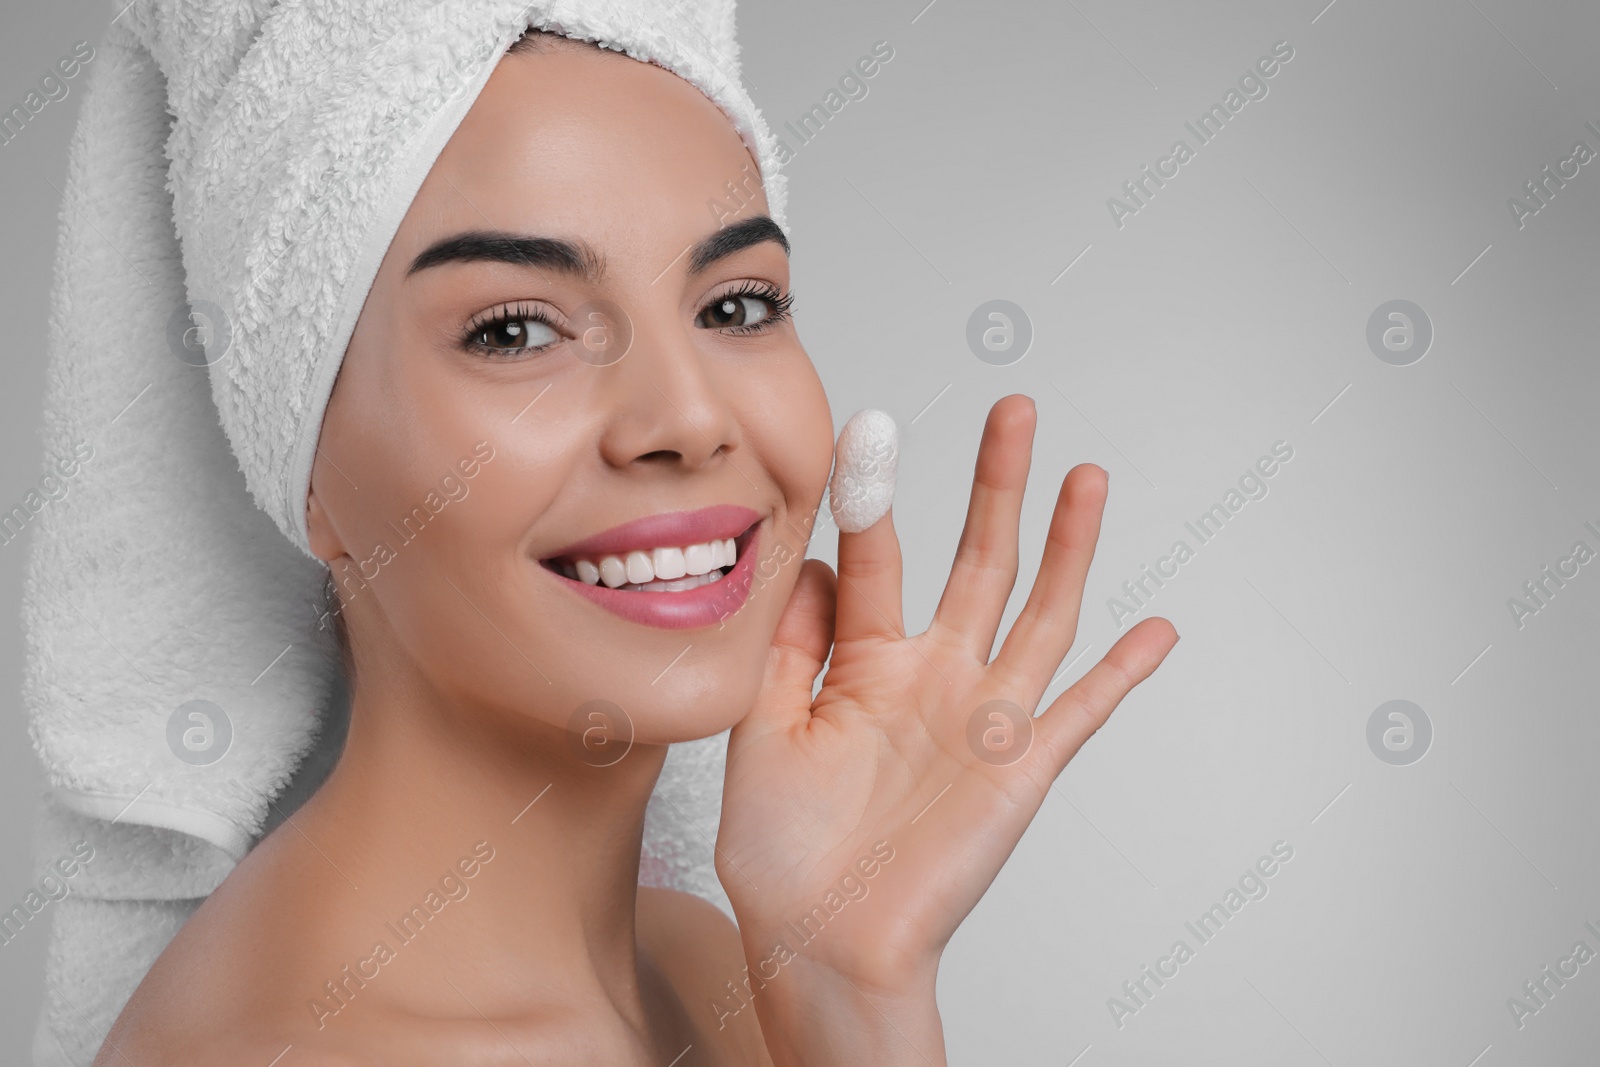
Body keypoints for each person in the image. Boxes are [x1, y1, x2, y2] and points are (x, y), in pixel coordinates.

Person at [93, 26, 1178, 1067]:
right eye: (515, 329)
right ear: (307, 464)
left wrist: (856, 995)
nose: (687, 416)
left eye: (736, 305)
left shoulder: (710, 966)